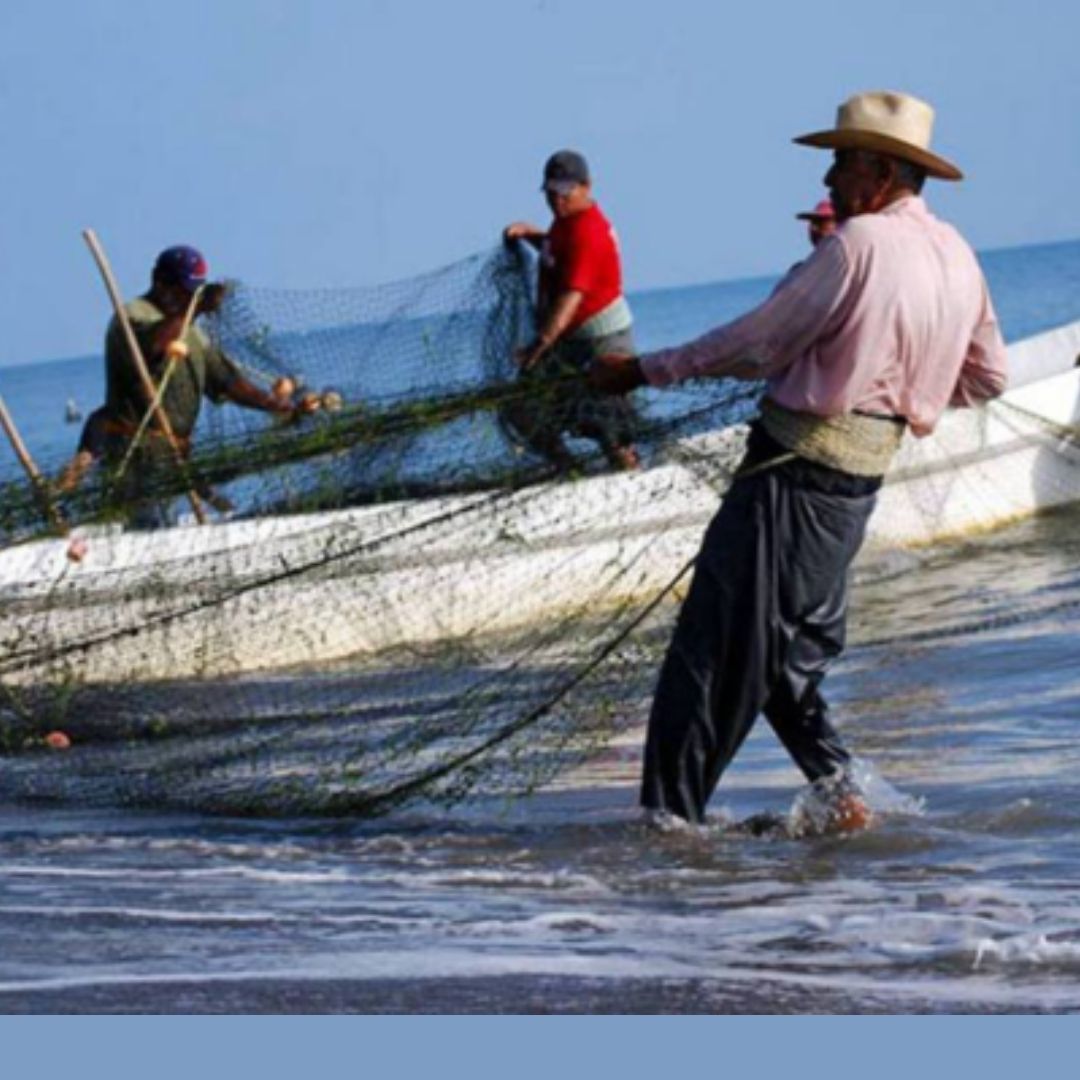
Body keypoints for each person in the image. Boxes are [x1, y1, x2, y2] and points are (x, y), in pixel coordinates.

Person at [590, 91, 1008, 829]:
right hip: (852, 491)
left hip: (789, 480)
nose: (830, 183)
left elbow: (758, 342)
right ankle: (846, 797)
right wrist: (903, 388)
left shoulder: (858, 246)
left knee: (710, 656)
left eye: (842, 163)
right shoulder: (957, 256)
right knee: (782, 663)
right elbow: (986, 378)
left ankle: (667, 833)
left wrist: (645, 370)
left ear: (880, 172)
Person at [73, 245, 314, 524]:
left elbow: (227, 382)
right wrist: (195, 308)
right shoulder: (131, 316)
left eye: (196, 291)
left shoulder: (192, 331)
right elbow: (154, 346)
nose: (189, 297)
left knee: (202, 514)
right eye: (184, 290)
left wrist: (282, 406)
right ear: (159, 281)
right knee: (145, 526)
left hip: (175, 457)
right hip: (135, 454)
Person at [502, 150, 640, 472]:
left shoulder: (588, 231)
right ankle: (571, 470)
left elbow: (570, 298)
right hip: (569, 341)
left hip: (603, 341)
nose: (557, 201)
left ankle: (632, 481)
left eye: (565, 192)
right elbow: (558, 251)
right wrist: (532, 235)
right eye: (551, 193)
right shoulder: (566, 222)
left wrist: (541, 343)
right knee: (519, 408)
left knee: (610, 428)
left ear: (586, 186)